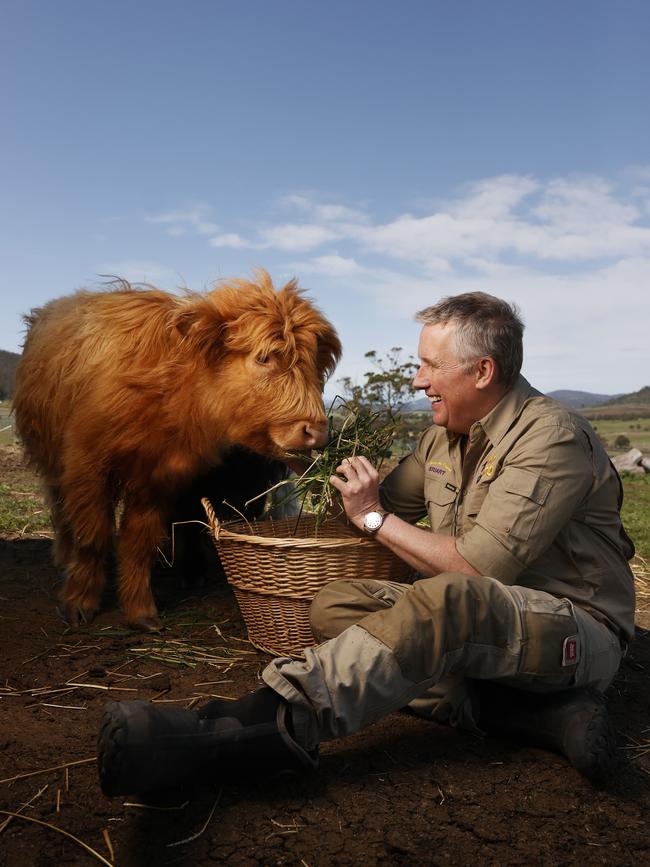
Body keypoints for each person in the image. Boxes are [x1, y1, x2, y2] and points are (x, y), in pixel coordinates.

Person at [97, 292, 636, 796]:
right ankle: (535, 716)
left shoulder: (551, 436)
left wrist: (373, 517)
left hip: (572, 625)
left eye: (429, 366)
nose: (418, 380)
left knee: (449, 598)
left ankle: (256, 727)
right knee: (336, 607)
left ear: (482, 371)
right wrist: (311, 463)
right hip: (484, 628)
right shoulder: (441, 436)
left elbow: (473, 570)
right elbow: (373, 506)